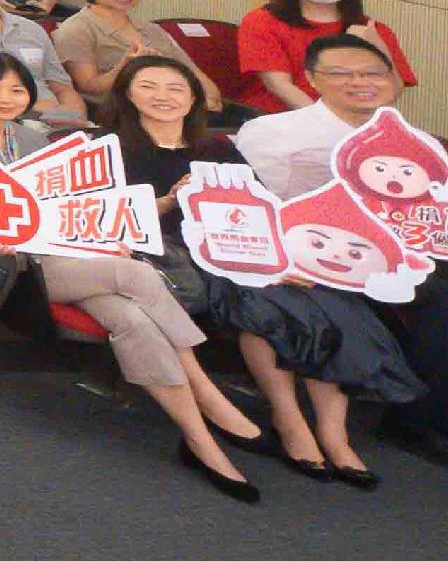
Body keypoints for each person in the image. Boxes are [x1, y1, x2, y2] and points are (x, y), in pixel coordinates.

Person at [0, 50, 263, 499]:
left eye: (17, 89)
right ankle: (208, 394)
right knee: (136, 276)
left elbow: (69, 211)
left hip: (60, 257)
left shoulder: (35, 139)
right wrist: (2, 241)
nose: (5, 98)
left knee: (132, 318)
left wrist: (102, 232)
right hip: (8, 267)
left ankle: (200, 439)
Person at [114, 52, 409, 488]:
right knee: (263, 305)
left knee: (322, 295)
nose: (163, 97)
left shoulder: (219, 149)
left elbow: (261, 211)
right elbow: (108, 221)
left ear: (195, 97)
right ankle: (289, 420)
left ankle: (333, 433)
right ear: (127, 95)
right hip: (170, 253)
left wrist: (278, 259)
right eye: (149, 87)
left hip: (240, 250)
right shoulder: (109, 147)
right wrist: (170, 200)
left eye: (175, 88)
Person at [234, 35, 448, 479]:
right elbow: (260, 207)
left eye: (371, 73)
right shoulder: (272, 131)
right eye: (341, 73)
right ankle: (425, 424)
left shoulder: (416, 141)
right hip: (319, 256)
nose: (359, 82)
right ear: (310, 79)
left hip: (403, 252)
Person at [235, 0, 412, 115]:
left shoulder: (372, 29)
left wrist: (378, 46)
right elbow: (279, 86)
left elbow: (391, 93)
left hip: (354, 121)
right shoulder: (262, 21)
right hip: (277, 117)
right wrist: (327, 122)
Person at [52, 0, 158, 110]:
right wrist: (126, 66)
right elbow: (89, 88)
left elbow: (192, 72)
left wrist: (210, 100)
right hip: (118, 111)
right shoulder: (75, 29)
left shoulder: (151, 29)